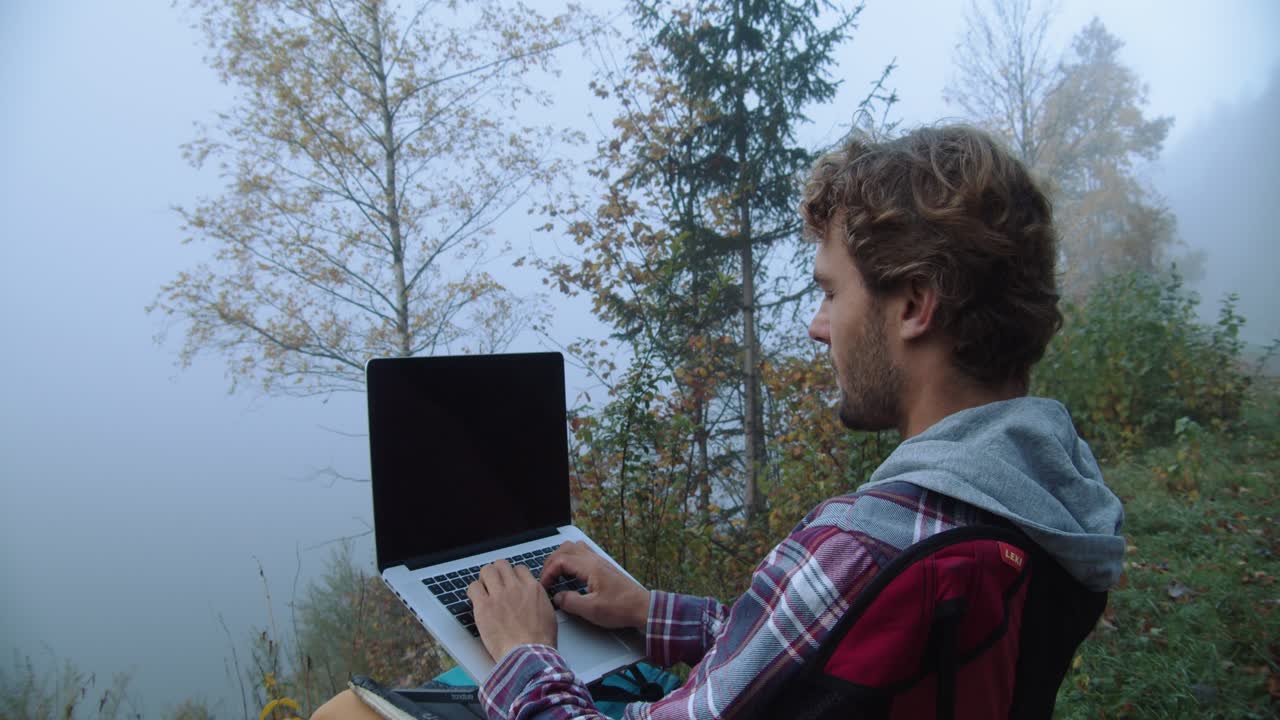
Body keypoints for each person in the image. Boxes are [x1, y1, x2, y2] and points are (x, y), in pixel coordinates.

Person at [312, 125, 1125, 720]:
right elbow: (826, 655)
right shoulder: (1049, 505)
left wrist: (527, 653)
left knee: (343, 716)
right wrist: (645, 611)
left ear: (914, 306)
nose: (817, 326)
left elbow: (831, 611)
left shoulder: (866, 545)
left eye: (833, 292)